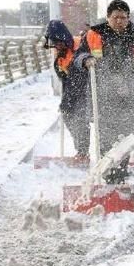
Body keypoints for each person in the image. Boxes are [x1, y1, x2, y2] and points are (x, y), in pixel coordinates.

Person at [74, 0, 134, 183]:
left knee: (125, 138)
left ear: (128, 18)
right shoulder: (94, 34)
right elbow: (78, 55)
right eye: (116, 17)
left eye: (123, 17)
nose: (120, 21)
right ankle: (107, 176)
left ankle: (120, 177)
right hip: (103, 97)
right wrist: (86, 59)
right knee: (105, 139)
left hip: (129, 98)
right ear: (108, 17)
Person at [44, 20, 90, 161]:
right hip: (72, 90)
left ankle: (84, 152)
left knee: (80, 118)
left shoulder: (79, 44)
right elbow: (65, 80)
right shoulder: (59, 56)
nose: (57, 46)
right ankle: (82, 150)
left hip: (87, 87)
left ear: (64, 37)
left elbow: (84, 57)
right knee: (68, 115)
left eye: (58, 42)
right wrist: (65, 102)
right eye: (54, 43)